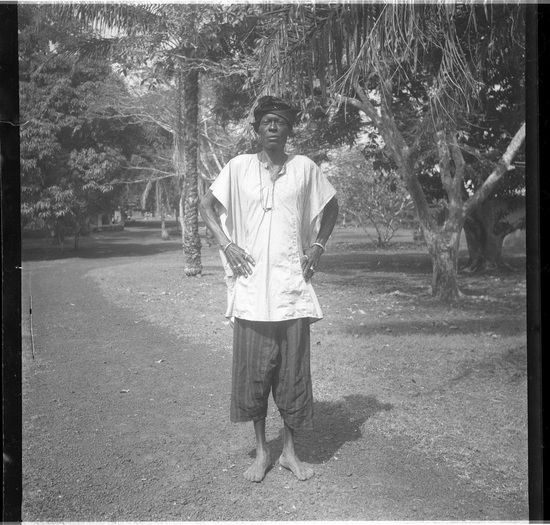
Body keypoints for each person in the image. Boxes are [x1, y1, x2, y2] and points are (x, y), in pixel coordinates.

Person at [199, 96, 339, 482]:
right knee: (254, 375)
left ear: (289, 129)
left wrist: (319, 245)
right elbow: (206, 205)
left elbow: (331, 207)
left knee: (293, 375)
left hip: (292, 290)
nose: (273, 127)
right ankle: (262, 452)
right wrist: (227, 244)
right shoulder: (238, 168)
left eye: (280, 121)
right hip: (251, 291)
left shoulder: (305, 169)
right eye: (266, 122)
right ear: (257, 129)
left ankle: (290, 453)